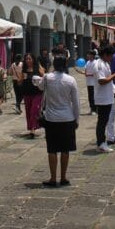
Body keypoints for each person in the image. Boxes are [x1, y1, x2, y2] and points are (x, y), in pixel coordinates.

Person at [38, 55, 80, 187]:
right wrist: (77, 119)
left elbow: (40, 87)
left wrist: (43, 73)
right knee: (65, 150)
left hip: (51, 118)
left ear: (53, 64)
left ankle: (52, 178)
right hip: (67, 117)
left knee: (52, 149)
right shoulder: (71, 80)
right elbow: (76, 103)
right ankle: (63, 177)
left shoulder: (47, 78)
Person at [94, 46, 115, 153]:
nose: (112, 58)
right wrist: (114, 76)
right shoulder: (99, 64)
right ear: (105, 55)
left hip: (108, 97)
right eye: (111, 55)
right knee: (102, 121)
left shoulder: (106, 63)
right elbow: (101, 81)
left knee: (105, 120)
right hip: (102, 98)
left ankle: (102, 142)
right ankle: (101, 143)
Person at [19, 53, 44, 138]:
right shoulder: (24, 70)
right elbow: (19, 82)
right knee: (28, 111)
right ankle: (31, 128)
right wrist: (21, 78)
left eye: (30, 58)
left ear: (33, 59)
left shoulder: (37, 68)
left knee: (34, 109)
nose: (28, 60)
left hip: (37, 93)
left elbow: (44, 76)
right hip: (27, 93)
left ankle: (33, 129)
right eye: (26, 59)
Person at [83, 50, 97, 114]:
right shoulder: (88, 62)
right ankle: (92, 108)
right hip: (88, 82)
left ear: (92, 55)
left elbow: (95, 73)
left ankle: (95, 109)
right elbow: (85, 69)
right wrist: (86, 73)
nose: (87, 55)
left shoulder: (95, 62)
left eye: (89, 54)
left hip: (94, 83)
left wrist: (88, 74)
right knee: (90, 96)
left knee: (93, 96)